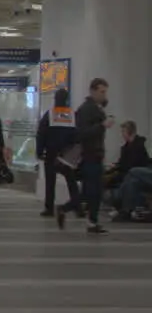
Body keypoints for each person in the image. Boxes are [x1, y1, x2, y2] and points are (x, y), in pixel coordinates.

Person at [70, 77, 115, 234]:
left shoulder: (96, 108)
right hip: (89, 155)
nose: (104, 95)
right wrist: (102, 125)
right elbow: (82, 134)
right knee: (92, 190)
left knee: (93, 190)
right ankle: (91, 221)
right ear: (93, 91)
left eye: (105, 92)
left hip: (96, 154)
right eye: (102, 92)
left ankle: (90, 220)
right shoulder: (86, 109)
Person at [38, 89, 81, 219]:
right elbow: (77, 135)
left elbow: (41, 133)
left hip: (51, 152)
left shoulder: (50, 114)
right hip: (67, 153)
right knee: (71, 181)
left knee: (50, 181)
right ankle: (77, 206)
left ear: (55, 99)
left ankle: (49, 208)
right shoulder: (72, 115)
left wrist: (40, 151)